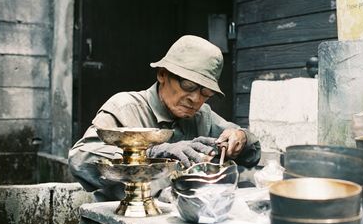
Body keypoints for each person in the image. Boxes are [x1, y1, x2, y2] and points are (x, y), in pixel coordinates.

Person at [68, 35, 261, 201]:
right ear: (162, 75)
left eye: (206, 93)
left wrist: (241, 138)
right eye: (188, 85)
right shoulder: (126, 108)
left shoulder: (202, 116)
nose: (195, 99)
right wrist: (153, 152)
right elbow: (80, 158)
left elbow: (253, 153)